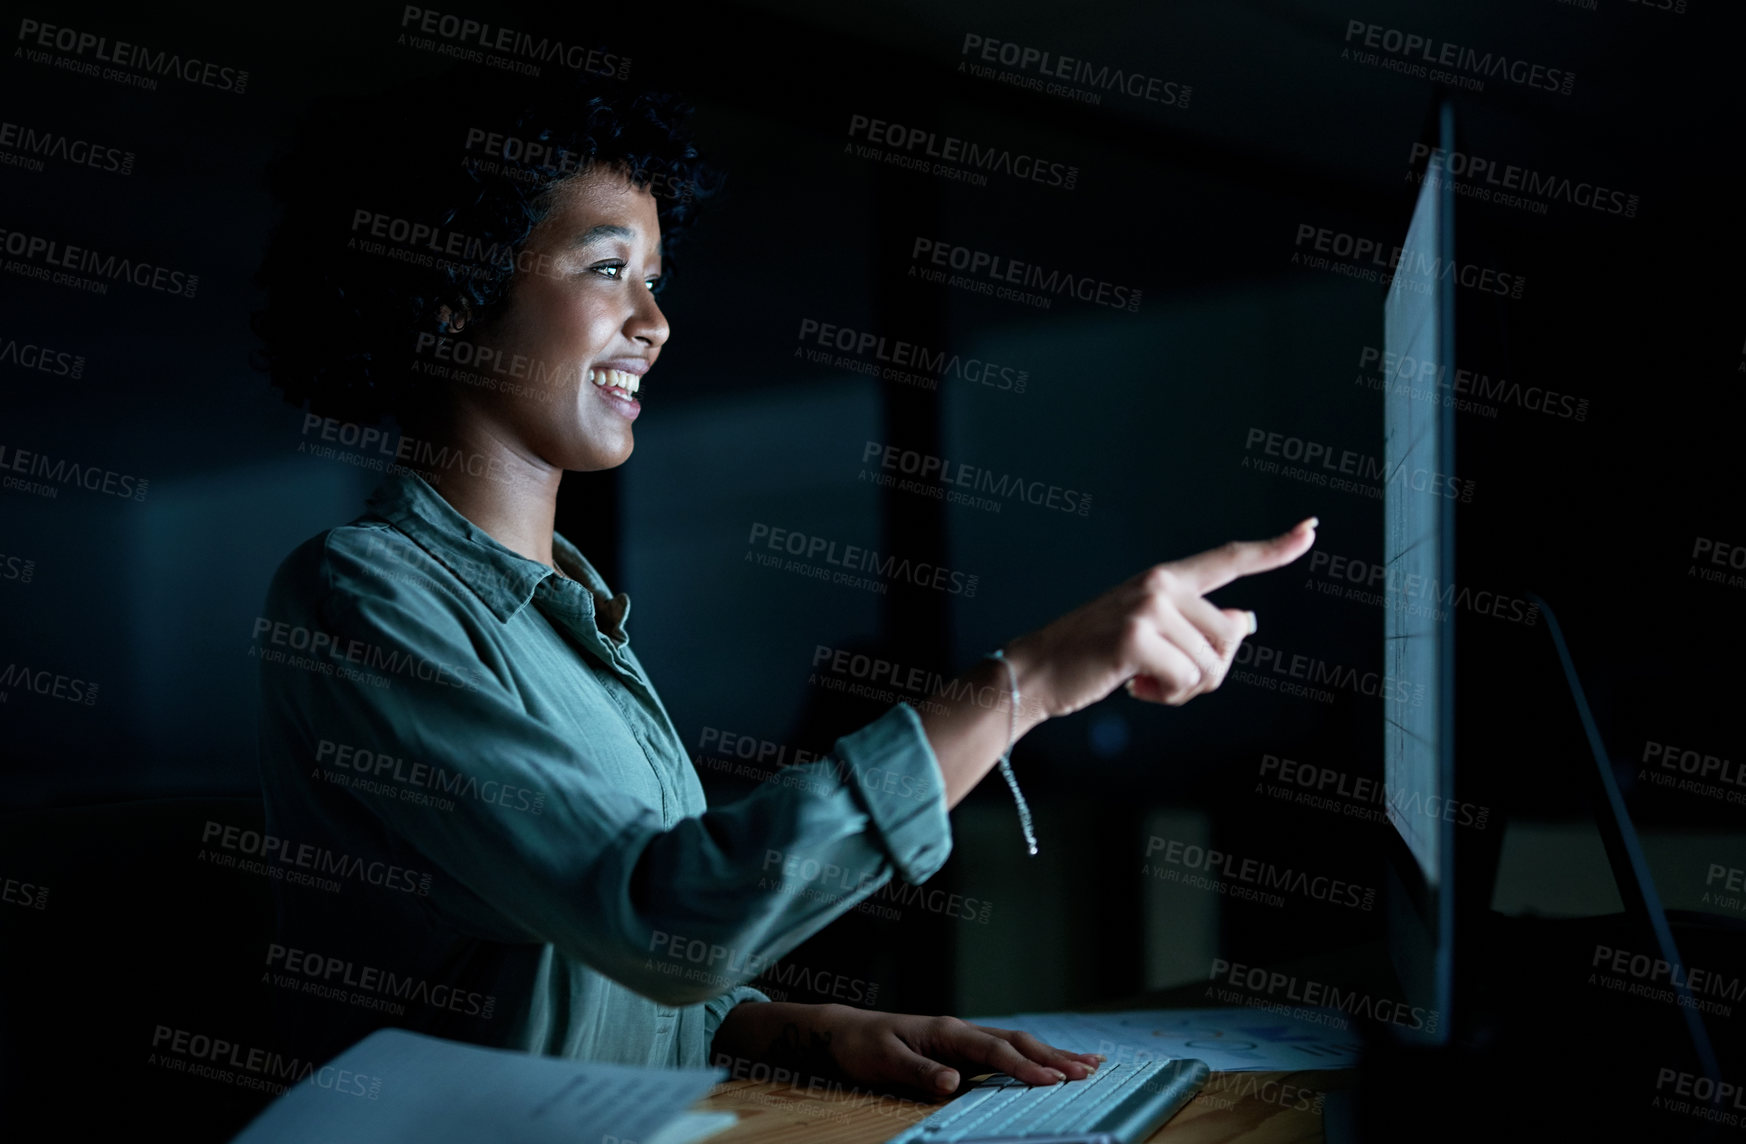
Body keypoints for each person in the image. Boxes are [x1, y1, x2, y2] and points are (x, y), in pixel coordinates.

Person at [249, 64, 1317, 1099]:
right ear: (450, 295)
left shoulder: (575, 619)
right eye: (608, 268)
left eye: (656, 281)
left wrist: (802, 1024)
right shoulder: (360, 595)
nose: (655, 324)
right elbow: (656, 919)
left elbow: (598, 964)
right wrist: (1027, 682)